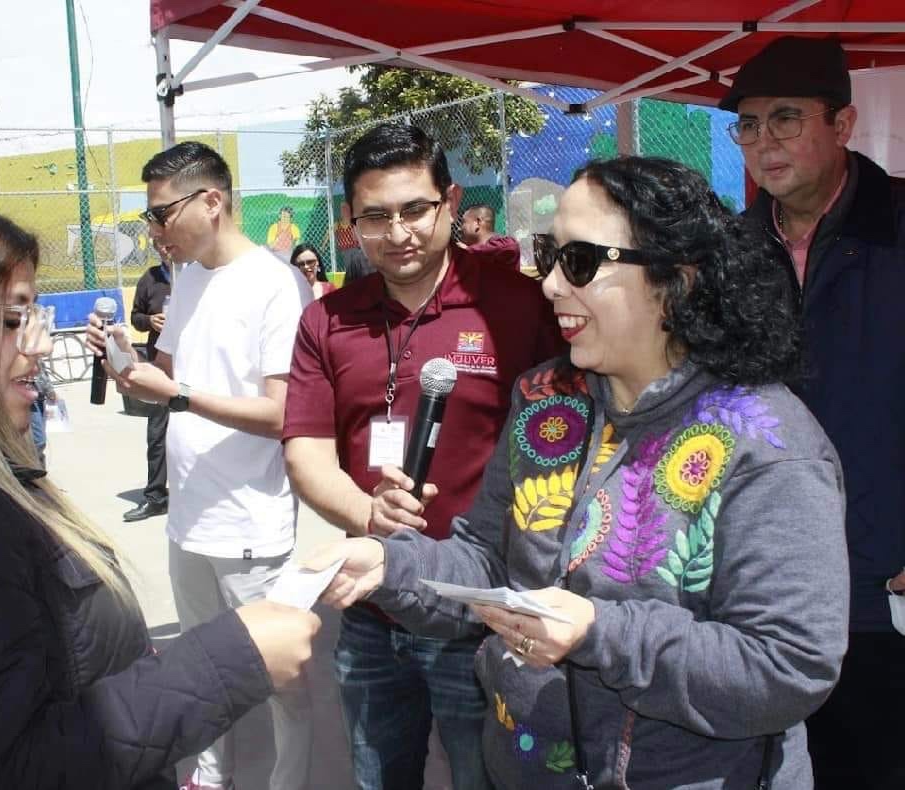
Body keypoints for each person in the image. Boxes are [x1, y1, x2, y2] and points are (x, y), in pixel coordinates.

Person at [308, 156, 850, 789]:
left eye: (582, 262)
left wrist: (598, 632)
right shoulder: (545, 399)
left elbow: (788, 665)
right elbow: (486, 561)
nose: (551, 286)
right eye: (549, 253)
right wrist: (391, 565)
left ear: (676, 278)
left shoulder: (768, 445)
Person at [0, 190, 320, 789]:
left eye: (33, 315)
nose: (37, 345)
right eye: (13, 319)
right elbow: (13, 766)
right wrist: (228, 661)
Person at [283, 123, 564, 790]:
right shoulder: (326, 319)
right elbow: (306, 453)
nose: (399, 232)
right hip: (372, 610)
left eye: (416, 209)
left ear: (448, 200)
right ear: (350, 223)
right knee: (378, 774)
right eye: (375, 216)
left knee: (481, 776)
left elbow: (561, 445)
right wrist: (367, 514)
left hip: (481, 610)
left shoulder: (518, 307)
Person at [87, 141, 313, 790]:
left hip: (248, 522)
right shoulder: (187, 280)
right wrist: (125, 366)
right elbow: (165, 380)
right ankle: (209, 779)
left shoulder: (277, 284)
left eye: (162, 215)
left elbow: (282, 412)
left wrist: (178, 395)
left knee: (278, 681)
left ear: (211, 201)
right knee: (197, 671)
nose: (154, 232)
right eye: (149, 219)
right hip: (188, 519)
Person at [718, 36, 905, 789]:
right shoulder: (731, 251)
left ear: (843, 122)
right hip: (762, 574)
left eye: (785, 119)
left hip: (883, 575)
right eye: (749, 125)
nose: (764, 143)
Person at [123, 260, 175, 522]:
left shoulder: (198, 273)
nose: (164, 248)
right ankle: (156, 497)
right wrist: (149, 321)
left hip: (197, 368)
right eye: (159, 244)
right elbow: (136, 318)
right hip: (161, 369)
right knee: (157, 435)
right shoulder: (151, 278)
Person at [458, 202, 520, 270]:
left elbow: (510, 246)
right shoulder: (472, 255)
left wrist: (468, 251)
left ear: (478, 223)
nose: (459, 228)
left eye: (463, 222)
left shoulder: (505, 245)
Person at [28, 363, 57, 469]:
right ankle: (35, 470)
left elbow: (41, 369)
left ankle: (40, 471)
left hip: (40, 396)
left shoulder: (34, 350)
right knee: (39, 440)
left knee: (39, 438)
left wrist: (49, 390)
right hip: (29, 396)